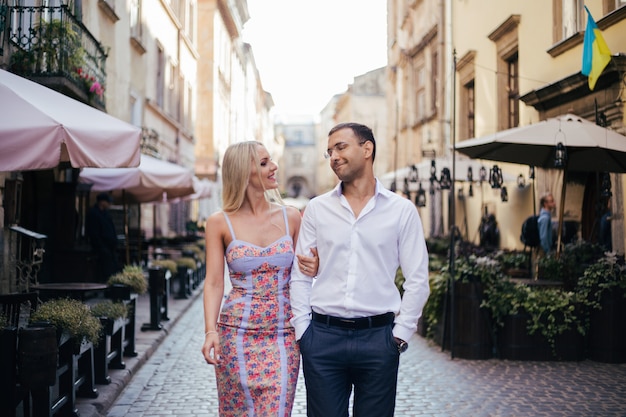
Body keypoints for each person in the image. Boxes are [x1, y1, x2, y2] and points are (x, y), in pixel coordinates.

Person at [290, 122, 431, 417]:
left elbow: (418, 279)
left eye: (341, 147)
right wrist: (304, 332)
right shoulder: (317, 209)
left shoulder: (401, 211)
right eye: (329, 151)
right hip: (323, 338)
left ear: (367, 149)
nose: (333, 157)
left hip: (378, 339)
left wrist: (400, 334)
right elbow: (301, 274)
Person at [201, 141, 319, 417]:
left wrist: (316, 266)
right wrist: (210, 331)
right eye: (264, 162)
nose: (274, 167)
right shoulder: (219, 222)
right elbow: (215, 282)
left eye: (271, 160)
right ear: (244, 171)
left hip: (284, 335)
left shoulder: (291, 217)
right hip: (235, 336)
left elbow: (306, 275)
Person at [85, 192, 121, 282]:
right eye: (108, 202)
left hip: (109, 247)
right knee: (105, 269)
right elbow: (94, 232)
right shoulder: (94, 213)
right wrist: (101, 246)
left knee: (112, 268)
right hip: (102, 248)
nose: (109, 204)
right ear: (102, 202)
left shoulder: (105, 214)